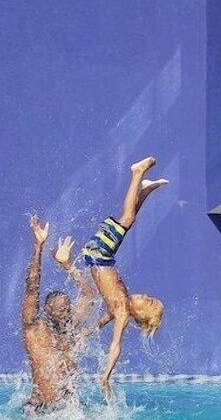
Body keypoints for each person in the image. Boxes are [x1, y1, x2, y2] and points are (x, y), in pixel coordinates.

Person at [77, 157, 167, 401]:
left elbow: (116, 347)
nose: (144, 296)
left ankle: (137, 174)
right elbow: (103, 319)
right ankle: (145, 189)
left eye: (146, 302)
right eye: (149, 297)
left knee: (126, 219)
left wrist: (106, 376)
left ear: (139, 315)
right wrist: (86, 333)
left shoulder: (123, 315)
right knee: (128, 218)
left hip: (98, 256)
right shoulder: (121, 305)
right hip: (101, 256)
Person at [21, 215, 96, 414]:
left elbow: (89, 295)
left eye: (67, 308)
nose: (66, 313)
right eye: (61, 310)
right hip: (42, 409)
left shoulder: (70, 325)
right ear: (48, 311)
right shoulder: (34, 328)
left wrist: (67, 264)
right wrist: (39, 246)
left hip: (70, 409)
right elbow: (32, 286)